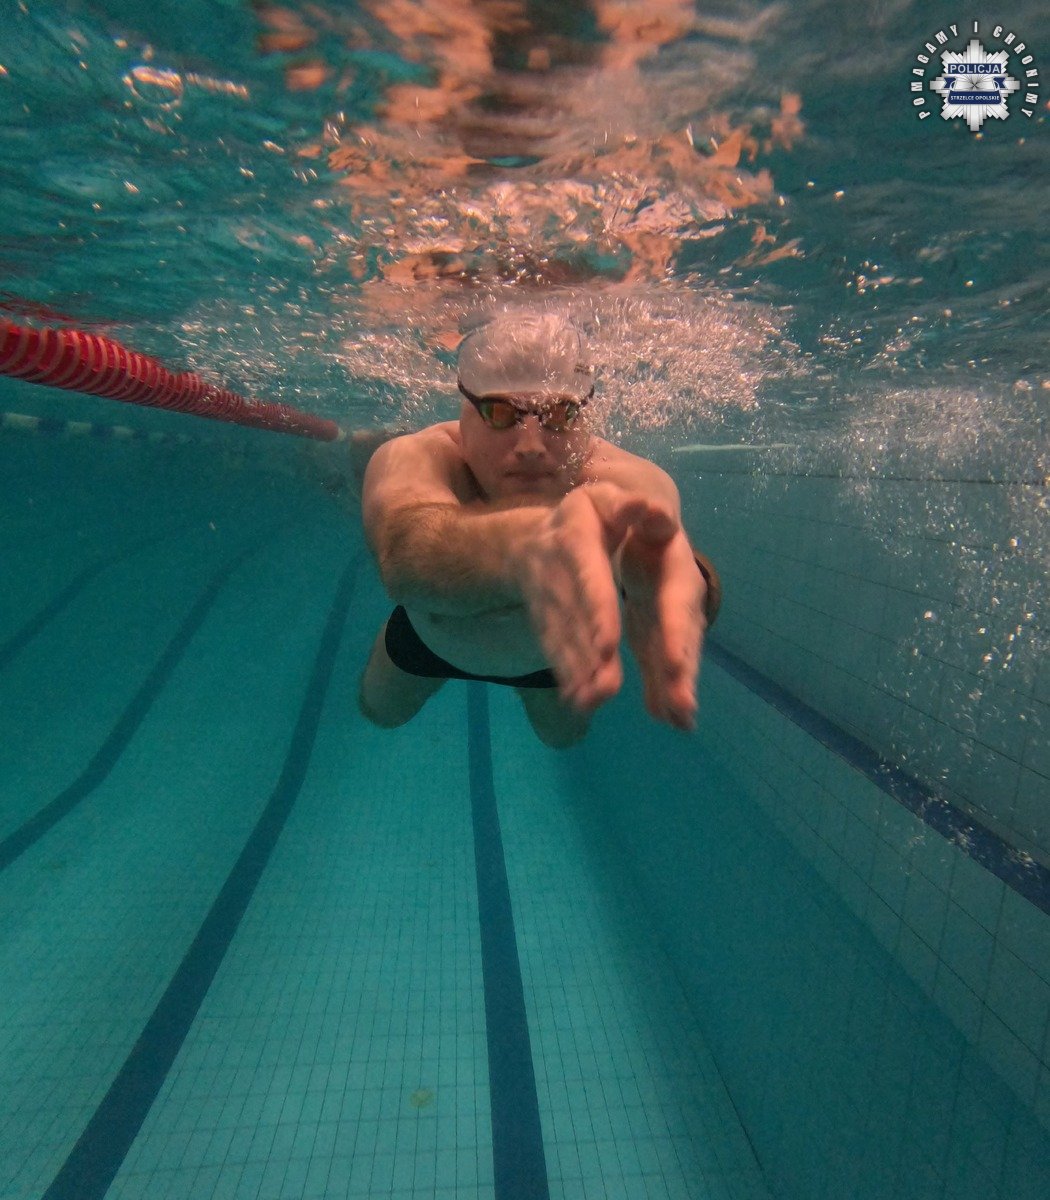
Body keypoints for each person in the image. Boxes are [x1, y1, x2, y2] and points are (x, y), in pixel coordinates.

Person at [358, 310, 721, 748]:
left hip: (551, 661)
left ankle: (527, 688)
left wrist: (683, 584)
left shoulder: (623, 477)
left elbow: (669, 562)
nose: (531, 446)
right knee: (378, 712)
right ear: (464, 415)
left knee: (563, 739)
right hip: (430, 640)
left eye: (560, 415)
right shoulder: (418, 454)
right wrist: (528, 546)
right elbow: (405, 551)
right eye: (499, 413)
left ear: (585, 420)